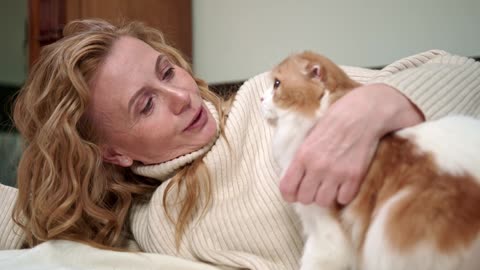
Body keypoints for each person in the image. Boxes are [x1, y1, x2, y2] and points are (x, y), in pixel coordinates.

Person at [0, 19, 479, 270]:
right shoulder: (143, 224)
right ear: (116, 154)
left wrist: (380, 104)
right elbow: (29, 224)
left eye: (167, 71)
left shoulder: (262, 97)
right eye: (146, 105)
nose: (182, 97)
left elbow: (467, 74)